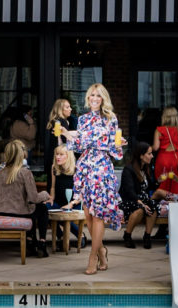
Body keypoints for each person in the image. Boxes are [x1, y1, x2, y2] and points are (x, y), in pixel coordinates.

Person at [61, 83, 125, 275]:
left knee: (98, 215)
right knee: (88, 215)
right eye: (92, 95)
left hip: (102, 168)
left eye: (98, 95)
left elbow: (115, 150)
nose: (94, 99)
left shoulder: (110, 118)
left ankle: (92, 257)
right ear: (88, 98)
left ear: (103, 99)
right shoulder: (82, 119)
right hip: (85, 167)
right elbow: (79, 146)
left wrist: (119, 144)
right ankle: (101, 250)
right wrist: (67, 135)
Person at [0, 140, 51, 258]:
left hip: (1, 211)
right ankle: (42, 243)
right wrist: (45, 194)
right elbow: (34, 198)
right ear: (21, 155)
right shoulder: (25, 173)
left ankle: (30, 241)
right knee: (41, 208)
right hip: (20, 212)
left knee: (31, 208)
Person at [119, 142, 166, 249]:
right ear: (141, 155)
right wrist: (141, 203)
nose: (152, 156)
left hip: (142, 200)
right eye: (149, 154)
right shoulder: (128, 169)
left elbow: (148, 187)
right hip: (129, 200)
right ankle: (127, 235)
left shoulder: (145, 169)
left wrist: (158, 181)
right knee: (141, 209)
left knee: (153, 206)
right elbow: (129, 191)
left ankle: (147, 236)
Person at [46, 145, 86, 248]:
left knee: (64, 213)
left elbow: (82, 192)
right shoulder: (54, 167)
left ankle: (80, 235)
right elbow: (53, 187)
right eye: (56, 154)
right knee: (45, 209)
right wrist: (51, 198)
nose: (57, 157)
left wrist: (71, 204)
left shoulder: (77, 169)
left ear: (68, 156)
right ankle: (61, 237)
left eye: (61, 154)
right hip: (59, 202)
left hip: (75, 203)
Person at [152, 107, 178, 194]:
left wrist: (148, 148)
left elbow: (156, 147)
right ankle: (175, 199)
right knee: (176, 184)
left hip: (163, 159)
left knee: (162, 182)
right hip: (176, 159)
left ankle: (163, 200)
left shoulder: (159, 130)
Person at [45, 99, 73, 190]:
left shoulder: (52, 121)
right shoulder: (62, 121)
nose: (70, 109)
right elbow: (66, 141)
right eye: (67, 107)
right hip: (59, 155)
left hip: (52, 154)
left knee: (51, 182)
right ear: (60, 109)